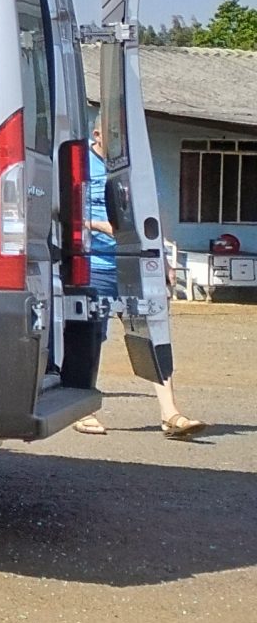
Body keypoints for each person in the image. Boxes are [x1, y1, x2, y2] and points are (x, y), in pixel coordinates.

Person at [72, 114, 203, 438]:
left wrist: (164, 260)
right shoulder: (80, 163)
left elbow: (150, 216)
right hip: (97, 266)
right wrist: (98, 227)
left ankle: (170, 414)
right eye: (115, 138)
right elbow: (66, 211)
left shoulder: (135, 167)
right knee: (91, 339)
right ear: (98, 134)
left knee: (153, 330)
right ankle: (84, 409)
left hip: (136, 264)